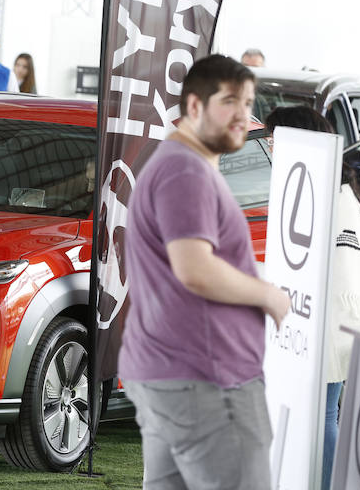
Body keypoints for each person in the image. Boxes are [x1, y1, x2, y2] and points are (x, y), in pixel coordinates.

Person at [118, 54, 291, 489]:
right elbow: (194, 268)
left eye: (249, 102)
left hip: (175, 375)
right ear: (195, 107)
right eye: (230, 101)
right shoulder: (184, 171)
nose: (243, 115)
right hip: (207, 381)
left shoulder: (177, 163)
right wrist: (266, 295)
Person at [264, 105, 360, 490]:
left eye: (276, 138)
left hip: (329, 321)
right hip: (335, 319)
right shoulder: (339, 191)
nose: (271, 147)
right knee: (323, 416)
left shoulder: (325, 195)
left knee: (323, 417)